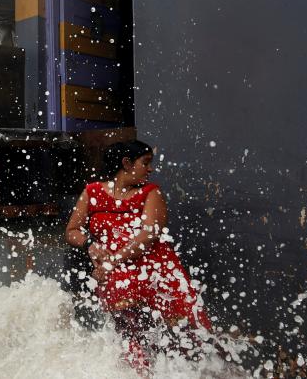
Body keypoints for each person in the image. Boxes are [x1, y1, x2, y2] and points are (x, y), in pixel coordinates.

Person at [65, 140, 213, 370]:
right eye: (145, 163)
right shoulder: (92, 192)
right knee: (129, 332)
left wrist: (112, 261)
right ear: (126, 163)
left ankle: (192, 372)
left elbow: (148, 236)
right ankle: (142, 373)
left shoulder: (150, 193)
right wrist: (90, 245)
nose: (150, 169)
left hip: (153, 271)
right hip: (117, 275)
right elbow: (72, 231)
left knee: (177, 336)